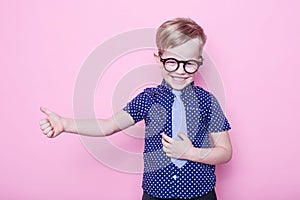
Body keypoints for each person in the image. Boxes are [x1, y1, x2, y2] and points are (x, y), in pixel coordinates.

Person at [39, 18, 232, 200]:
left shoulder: (208, 101)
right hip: (156, 192)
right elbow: (108, 125)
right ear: (159, 58)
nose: (180, 71)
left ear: (199, 62)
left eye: (189, 63)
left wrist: (190, 153)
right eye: (172, 62)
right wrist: (65, 124)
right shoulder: (147, 99)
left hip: (201, 192)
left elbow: (225, 152)